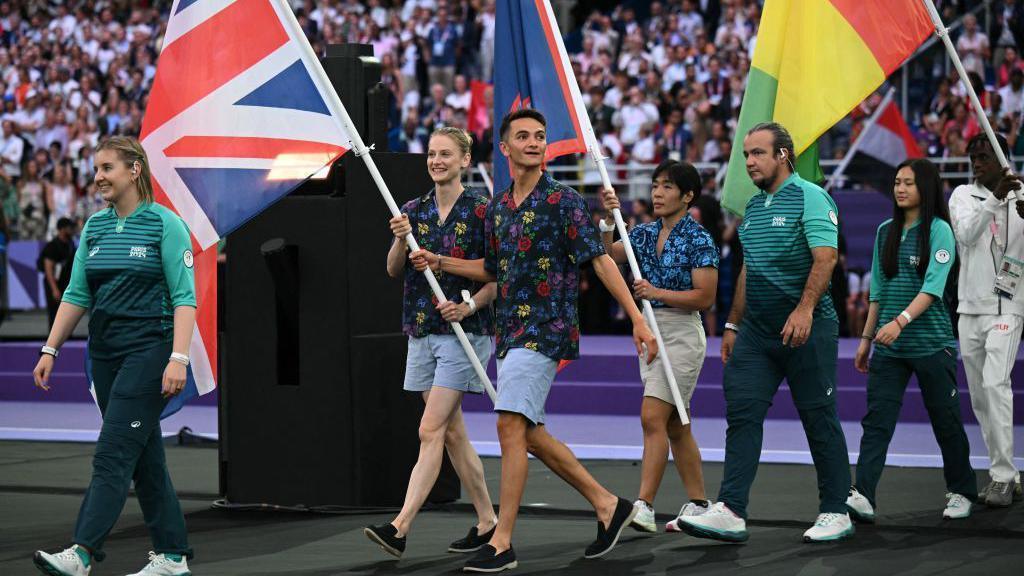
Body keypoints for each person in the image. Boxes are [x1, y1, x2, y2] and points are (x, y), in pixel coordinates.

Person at [410, 109, 658, 572]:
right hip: (510, 332)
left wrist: (637, 318)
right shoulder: (499, 207)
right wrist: (439, 261)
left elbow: (599, 261)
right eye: (523, 136)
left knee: (508, 426)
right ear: (504, 148)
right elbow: (491, 269)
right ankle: (608, 505)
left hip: (547, 330)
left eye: (540, 137)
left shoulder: (564, 200)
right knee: (529, 434)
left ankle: (502, 541)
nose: (534, 143)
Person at [678, 122, 854, 543]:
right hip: (756, 334)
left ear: (783, 155)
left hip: (807, 329)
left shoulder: (812, 197)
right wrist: (734, 323)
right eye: (746, 155)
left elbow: (826, 259)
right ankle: (732, 509)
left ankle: (835, 510)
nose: (749, 162)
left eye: (757, 153)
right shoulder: (753, 209)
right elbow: (746, 271)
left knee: (818, 417)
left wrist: (805, 309)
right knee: (742, 416)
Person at [32, 136, 196, 576]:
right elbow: (77, 294)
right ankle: (173, 556)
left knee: (113, 452)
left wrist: (178, 358)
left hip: (150, 350)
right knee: (143, 455)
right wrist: (51, 348)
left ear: (134, 170)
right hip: (104, 354)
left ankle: (82, 553)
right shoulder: (95, 228)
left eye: (107, 168)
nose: (98, 177)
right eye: (96, 169)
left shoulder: (166, 224)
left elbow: (184, 299)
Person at [364, 127, 499, 558]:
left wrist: (469, 306)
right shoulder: (412, 210)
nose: (436, 161)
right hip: (421, 331)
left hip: (464, 333)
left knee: (430, 429)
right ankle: (487, 521)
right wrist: (401, 238)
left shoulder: (483, 210)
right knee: (453, 434)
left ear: (464, 160)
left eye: (445, 154)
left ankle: (400, 528)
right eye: (431, 154)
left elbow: (498, 275)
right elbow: (391, 270)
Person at [846, 158, 977, 522]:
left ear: (927, 188)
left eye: (909, 183)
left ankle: (962, 490)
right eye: (897, 182)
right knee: (877, 423)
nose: (900, 188)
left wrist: (900, 322)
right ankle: (864, 495)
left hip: (933, 344)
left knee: (946, 421)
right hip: (890, 347)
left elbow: (933, 288)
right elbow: (878, 290)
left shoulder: (939, 231)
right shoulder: (884, 230)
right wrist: (866, 338)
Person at [599, 160, 717, 533]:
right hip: (650, 333)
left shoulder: (699, 239)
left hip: (682, 333)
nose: (657, 193)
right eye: (655, 185)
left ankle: (644, 506)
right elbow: (605, 255)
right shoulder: (646, 233)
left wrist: (656, 292)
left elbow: (706, 297)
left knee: (652, 416)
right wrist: (607, 221)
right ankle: (700, 504)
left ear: (688, 196)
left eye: (667, 186)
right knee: (677, 425)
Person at [948, 132, 1024, 507]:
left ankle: (1003, 477)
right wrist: (995, 199)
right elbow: (966, 233)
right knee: (980, 398)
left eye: (984, 157)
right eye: (973, 158)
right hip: (969, 307)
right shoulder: (963, 196)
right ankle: (1007, 471)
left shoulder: (1023, 197)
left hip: (1009, 306)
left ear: (1002, 158)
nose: (977, 164)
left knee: (996, 385)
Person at [40, 216, 77, 329]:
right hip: (54, 283)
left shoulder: (71, 245)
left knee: (67, 314)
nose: (72, 230)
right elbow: (48, 269)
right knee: (54, 313)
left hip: (66, 283)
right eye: (69, 228)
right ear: (62, 229)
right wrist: (54, 289)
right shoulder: (52, 246)